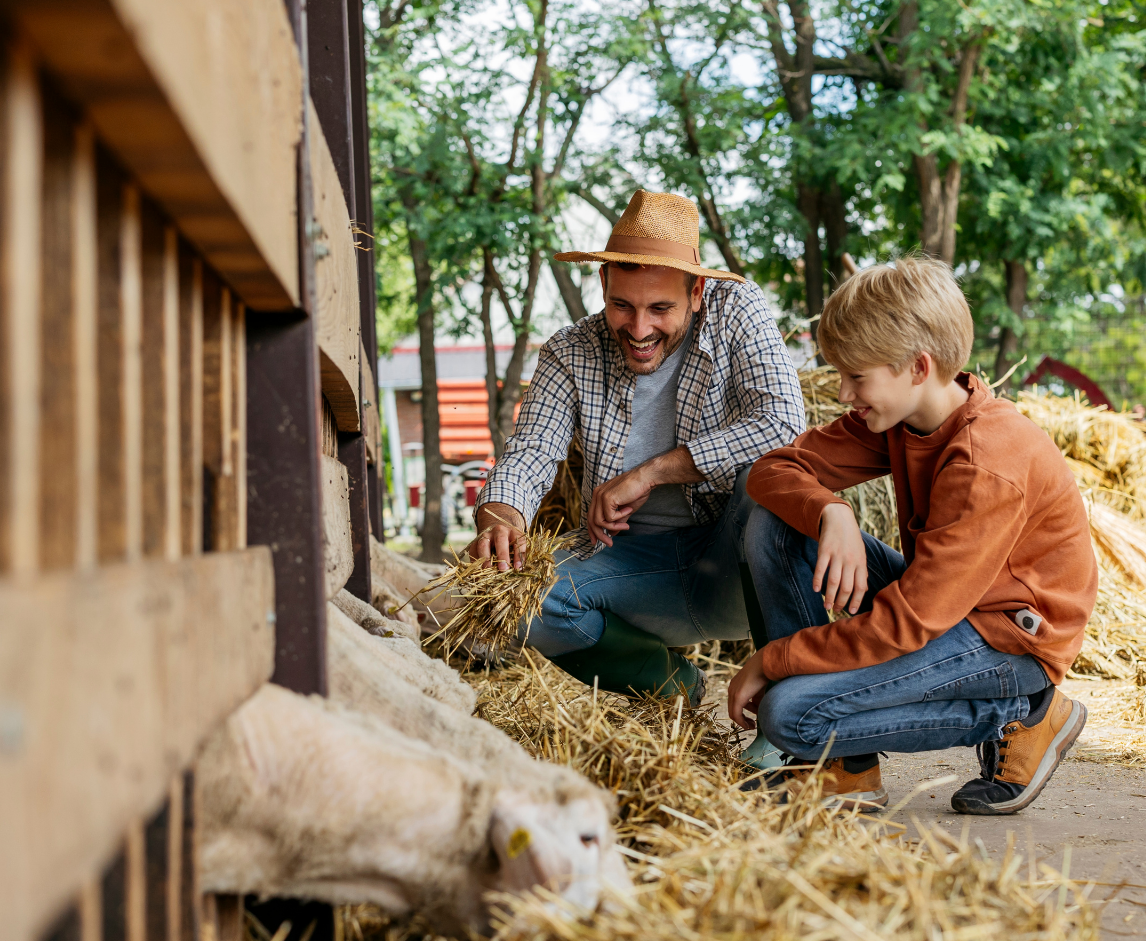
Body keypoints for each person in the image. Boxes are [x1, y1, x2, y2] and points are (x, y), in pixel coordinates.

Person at [725, 257, 1098, 816]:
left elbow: (908, 622)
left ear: (918, 367)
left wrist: (776, 660)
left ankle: (1026, 712)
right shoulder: (902, 416)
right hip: (950, 607)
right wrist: (831, 512)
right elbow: (772, 470)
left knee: (789, 714)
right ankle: (843, 768)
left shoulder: (986, 462)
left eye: (857, 377)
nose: (844, 392)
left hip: (1009, 641)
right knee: (774, 523)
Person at [467, 190, 806, 701]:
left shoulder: (737, 307)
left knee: (768, 477)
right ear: (603, 283)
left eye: (660, 308)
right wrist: (500, 520)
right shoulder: (569, 350)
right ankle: (672, 685)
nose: (639, 329)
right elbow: (530, 453)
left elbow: (783, 424)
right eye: (621, 305)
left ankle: (792, 709)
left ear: (697, 292)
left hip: (737, 566)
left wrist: (650, 473)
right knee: (513, 597)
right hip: (629, 571)